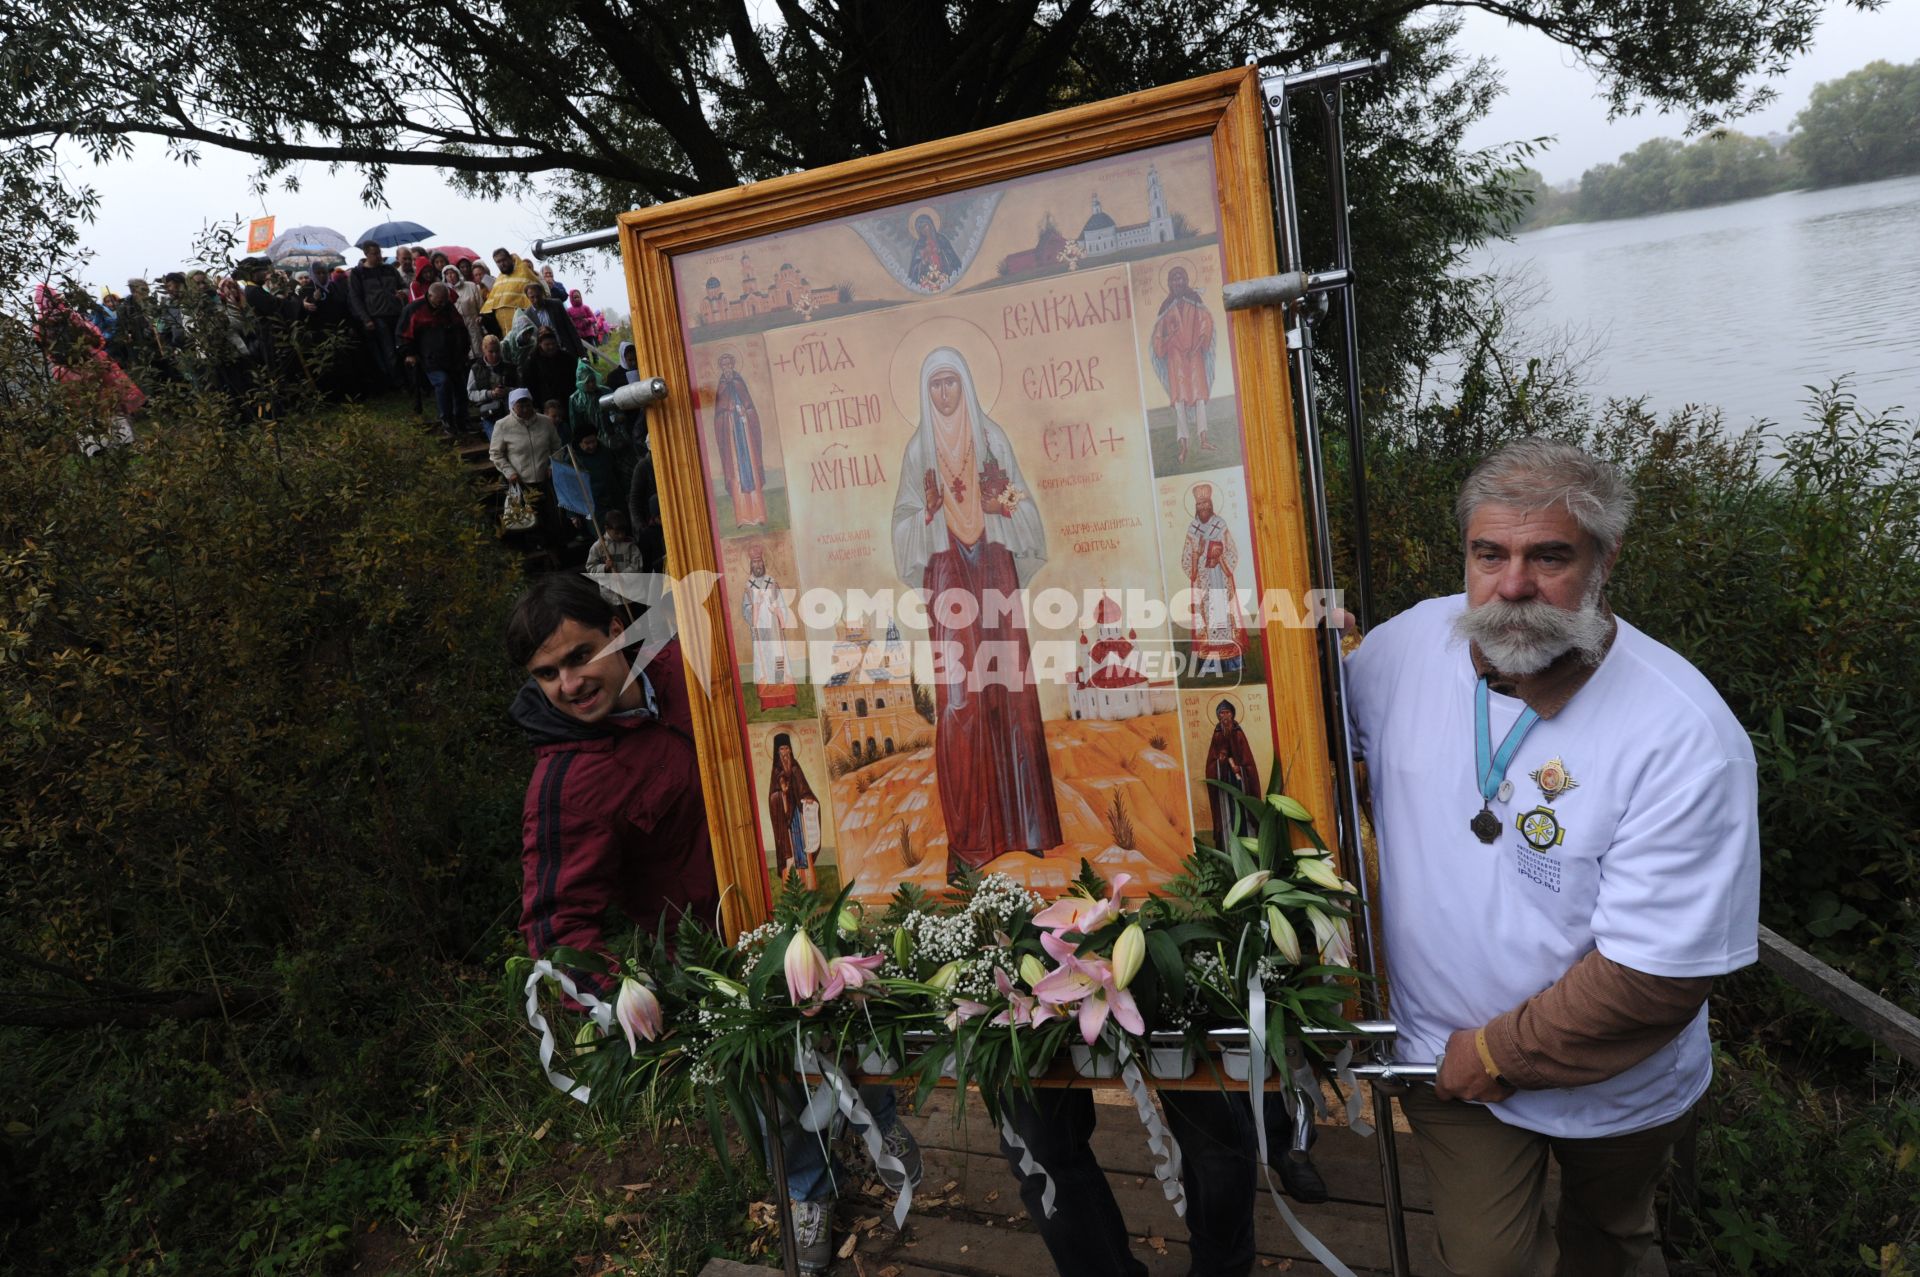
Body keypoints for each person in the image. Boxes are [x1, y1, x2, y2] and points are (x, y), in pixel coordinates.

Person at [1345, 438, 1760, 1277]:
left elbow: (1657, 977)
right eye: (1488, 552)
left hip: (1617, 1087)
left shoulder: (1683, 735)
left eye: (1550, 556)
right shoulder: (1399, 651)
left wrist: (1494, 1053)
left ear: (1605, 559)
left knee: (1613, 1240)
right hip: (1446, 1059)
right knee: (1486, 1264)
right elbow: (1304, 736)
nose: (1512, 586)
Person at [890, 345, 1061, 879]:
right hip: (947, 574)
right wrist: (929, 517)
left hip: (992, 566)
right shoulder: (919, 451)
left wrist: (1000, 507)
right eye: (936, 384)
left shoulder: (993, 440)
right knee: (961, 702)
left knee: (1010, 690)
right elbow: (901, 532)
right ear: (925, 391)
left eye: (952, 383)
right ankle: (968, 844)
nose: (944, 394)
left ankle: (1025, 828)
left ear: (966, 386)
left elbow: (1026, 512)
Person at [1150, 264, 1217, 463]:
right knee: (1179, 401)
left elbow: (1206, 323)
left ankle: (1203, 439)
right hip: (1175, 359)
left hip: (1194, 356)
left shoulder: (1195, 302)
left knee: (1198, 398)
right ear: (1169, 284)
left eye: (1180, 278)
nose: (1177, 282)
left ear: (1186, 280)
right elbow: (1158, 337)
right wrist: (1168, 338)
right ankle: (1184, 445)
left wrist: (1198, 344)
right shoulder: (1165, 308)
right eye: (1173, 279)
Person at [1180, 483, 1247, 676]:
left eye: (1205, 503)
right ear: (1196, 506)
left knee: (1224, 614)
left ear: (1211, 503)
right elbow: (1186, 560)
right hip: (1203, 580)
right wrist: (1197, 554)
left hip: (1219, 578)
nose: (1203, 507)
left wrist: (1219, 557)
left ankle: (1232, 662)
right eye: (1199, 503)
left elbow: (1232, 551)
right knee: (1206, 618)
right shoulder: (1192, 529)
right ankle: (1209, 665)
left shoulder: (1220, 524)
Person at [398, 281, 473, 435]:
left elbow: (461, 329)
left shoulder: (448, 307)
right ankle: (446, 420)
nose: (442, 304)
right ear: (430, 296)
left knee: (460, 386)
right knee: (443, 383)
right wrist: (409, 353)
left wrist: (464, 351)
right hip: (429, 358)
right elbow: (402, 334)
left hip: (453, 356)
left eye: (445, 301)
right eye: (439, 301)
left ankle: (462, 419)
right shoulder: (414, 309)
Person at [491, 388, 564, 546]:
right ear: (512, 406)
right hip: (521, 482)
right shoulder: (502, 425)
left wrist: (553, 465)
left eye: (528, 405)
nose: (525, 409)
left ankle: (555, 552)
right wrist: (509, 472)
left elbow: (557, 446)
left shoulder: (546, 422)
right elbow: (496, 453)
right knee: (527, 522)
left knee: (551, 520)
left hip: (545, 479)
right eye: (520, 406)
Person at [710, 351, 766, 527]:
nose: (727, 368)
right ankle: (742, 518)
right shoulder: (721, 386)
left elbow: (750, 407)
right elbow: (718, 414)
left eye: (729, 364)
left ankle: (759, 516)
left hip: (745, 435)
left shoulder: (739, 382)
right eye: (724, 365)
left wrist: (744, 411)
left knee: (750, 470)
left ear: (733, 365)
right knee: (736, 473)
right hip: (732, 438)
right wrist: (728, 411)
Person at [741, 545, 799, 710]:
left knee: (779, 662)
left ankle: (787, 698)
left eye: (760, 562)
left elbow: (781, 604)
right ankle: (768, 702)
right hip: (760, 634)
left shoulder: (772, 582)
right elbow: (745, 610)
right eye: (754, 563)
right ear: (751, 566)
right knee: (764, 664)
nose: (757, 566)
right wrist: (755, 607)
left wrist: (777, 610)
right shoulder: (748, 587)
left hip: (774, 632)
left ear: (763, 563)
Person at [347, 242, 407, 389]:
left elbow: (403, 285)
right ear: (366, 254)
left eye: (379, 252)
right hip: (377, 316)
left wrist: (403, 293)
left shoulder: (389, 269)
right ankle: (398, 383)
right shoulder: (358, 273)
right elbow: (355, 298)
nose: (379, 256)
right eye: (375, 253)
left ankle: (410, 379)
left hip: (396, 312)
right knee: (389, 351)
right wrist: (366, 318)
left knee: (403, 347)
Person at [765, 732, 818, 890]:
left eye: (787, 748)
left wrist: (808, 798)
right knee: (790, 850)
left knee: (802, 847)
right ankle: (791, 887)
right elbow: (772, 797)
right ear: (777, 751)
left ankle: (808, 884)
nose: (785, 752)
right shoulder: (776, 772)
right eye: (782, 749)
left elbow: (804, 789)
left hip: (798, 816)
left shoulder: (795, 767)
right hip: (785, 819)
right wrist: (781, 794)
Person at [1202, 699, 1259, 843]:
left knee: (1243, 813)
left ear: (1232, 714)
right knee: (1228, 816)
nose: (1225, 716)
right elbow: (1211, 764)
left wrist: (1240, 769)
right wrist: (1220, 762)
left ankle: (1249, 844)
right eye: (1222, 713)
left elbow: (1248, 763)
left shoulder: (1238, 733)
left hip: (1240, 784)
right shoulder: (1217, 734)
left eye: (1227, 712)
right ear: (1218, 716)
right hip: (1224, 786)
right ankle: (1228, 847)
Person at [583, 507, 644, 607]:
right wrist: (604, 568)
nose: (620, 536)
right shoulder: (598, 547)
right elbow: (590, 569)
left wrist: (622, 576)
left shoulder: (630, 545)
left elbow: (637, 566)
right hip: (611, 597)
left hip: (632, 595)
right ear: (607, 528)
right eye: (617, 533)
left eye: (623, 532)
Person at [468, 333, 519, 438]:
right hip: (488, 413)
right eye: (491, 352)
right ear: (484, 350)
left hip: (510, 412)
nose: (494, 355)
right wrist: (489, 394)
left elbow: (521, 388)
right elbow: (471, 393)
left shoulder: (509, 367)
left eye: (497, 351)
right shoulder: (476, 369)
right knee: (497, 444)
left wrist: (508, 390)